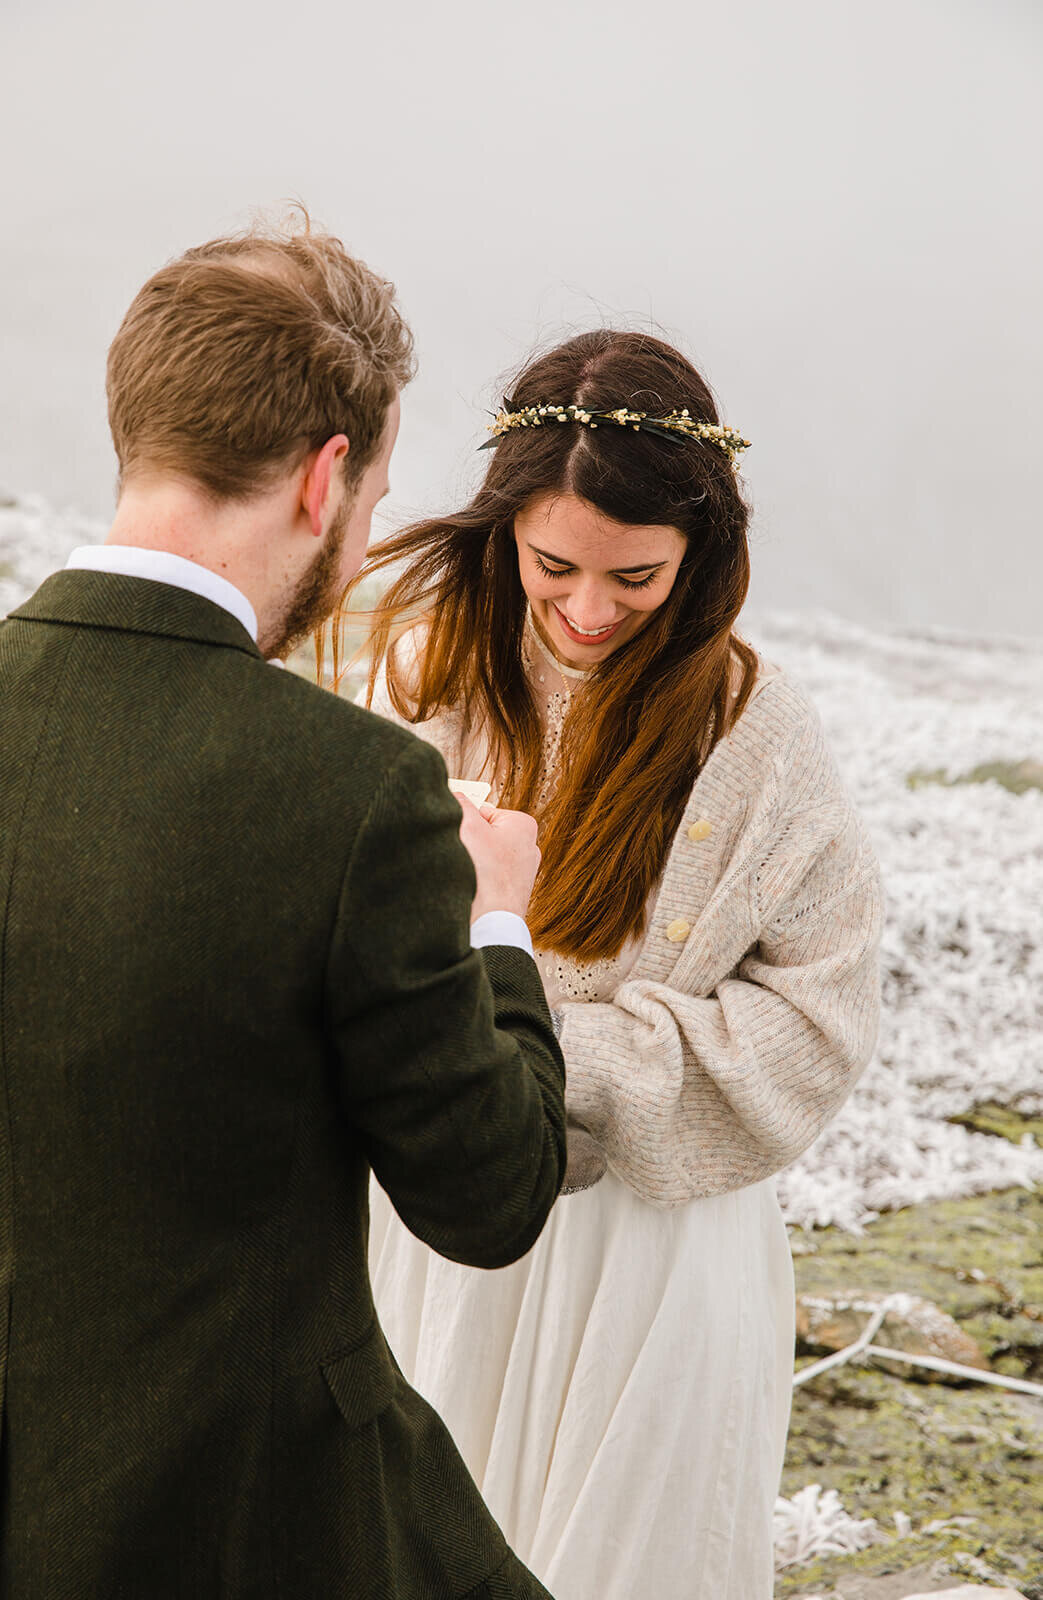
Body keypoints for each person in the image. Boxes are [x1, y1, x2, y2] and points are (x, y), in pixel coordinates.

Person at [0, 219, 567, 1599]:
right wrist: (495, 925)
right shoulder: (354, 796)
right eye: (369, 508)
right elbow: (488, 1195)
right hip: (251, 1520)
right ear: (324, 481)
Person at [352, 330, 885, 1600]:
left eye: (636, 575)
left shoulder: (756, 736)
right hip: (446, 1229)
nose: (590, 611)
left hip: (655, 1250)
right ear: (503, 533)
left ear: (701, 556)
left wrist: (551, 1045)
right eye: (554, 566)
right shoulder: (427, 678)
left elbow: (817, 1021)